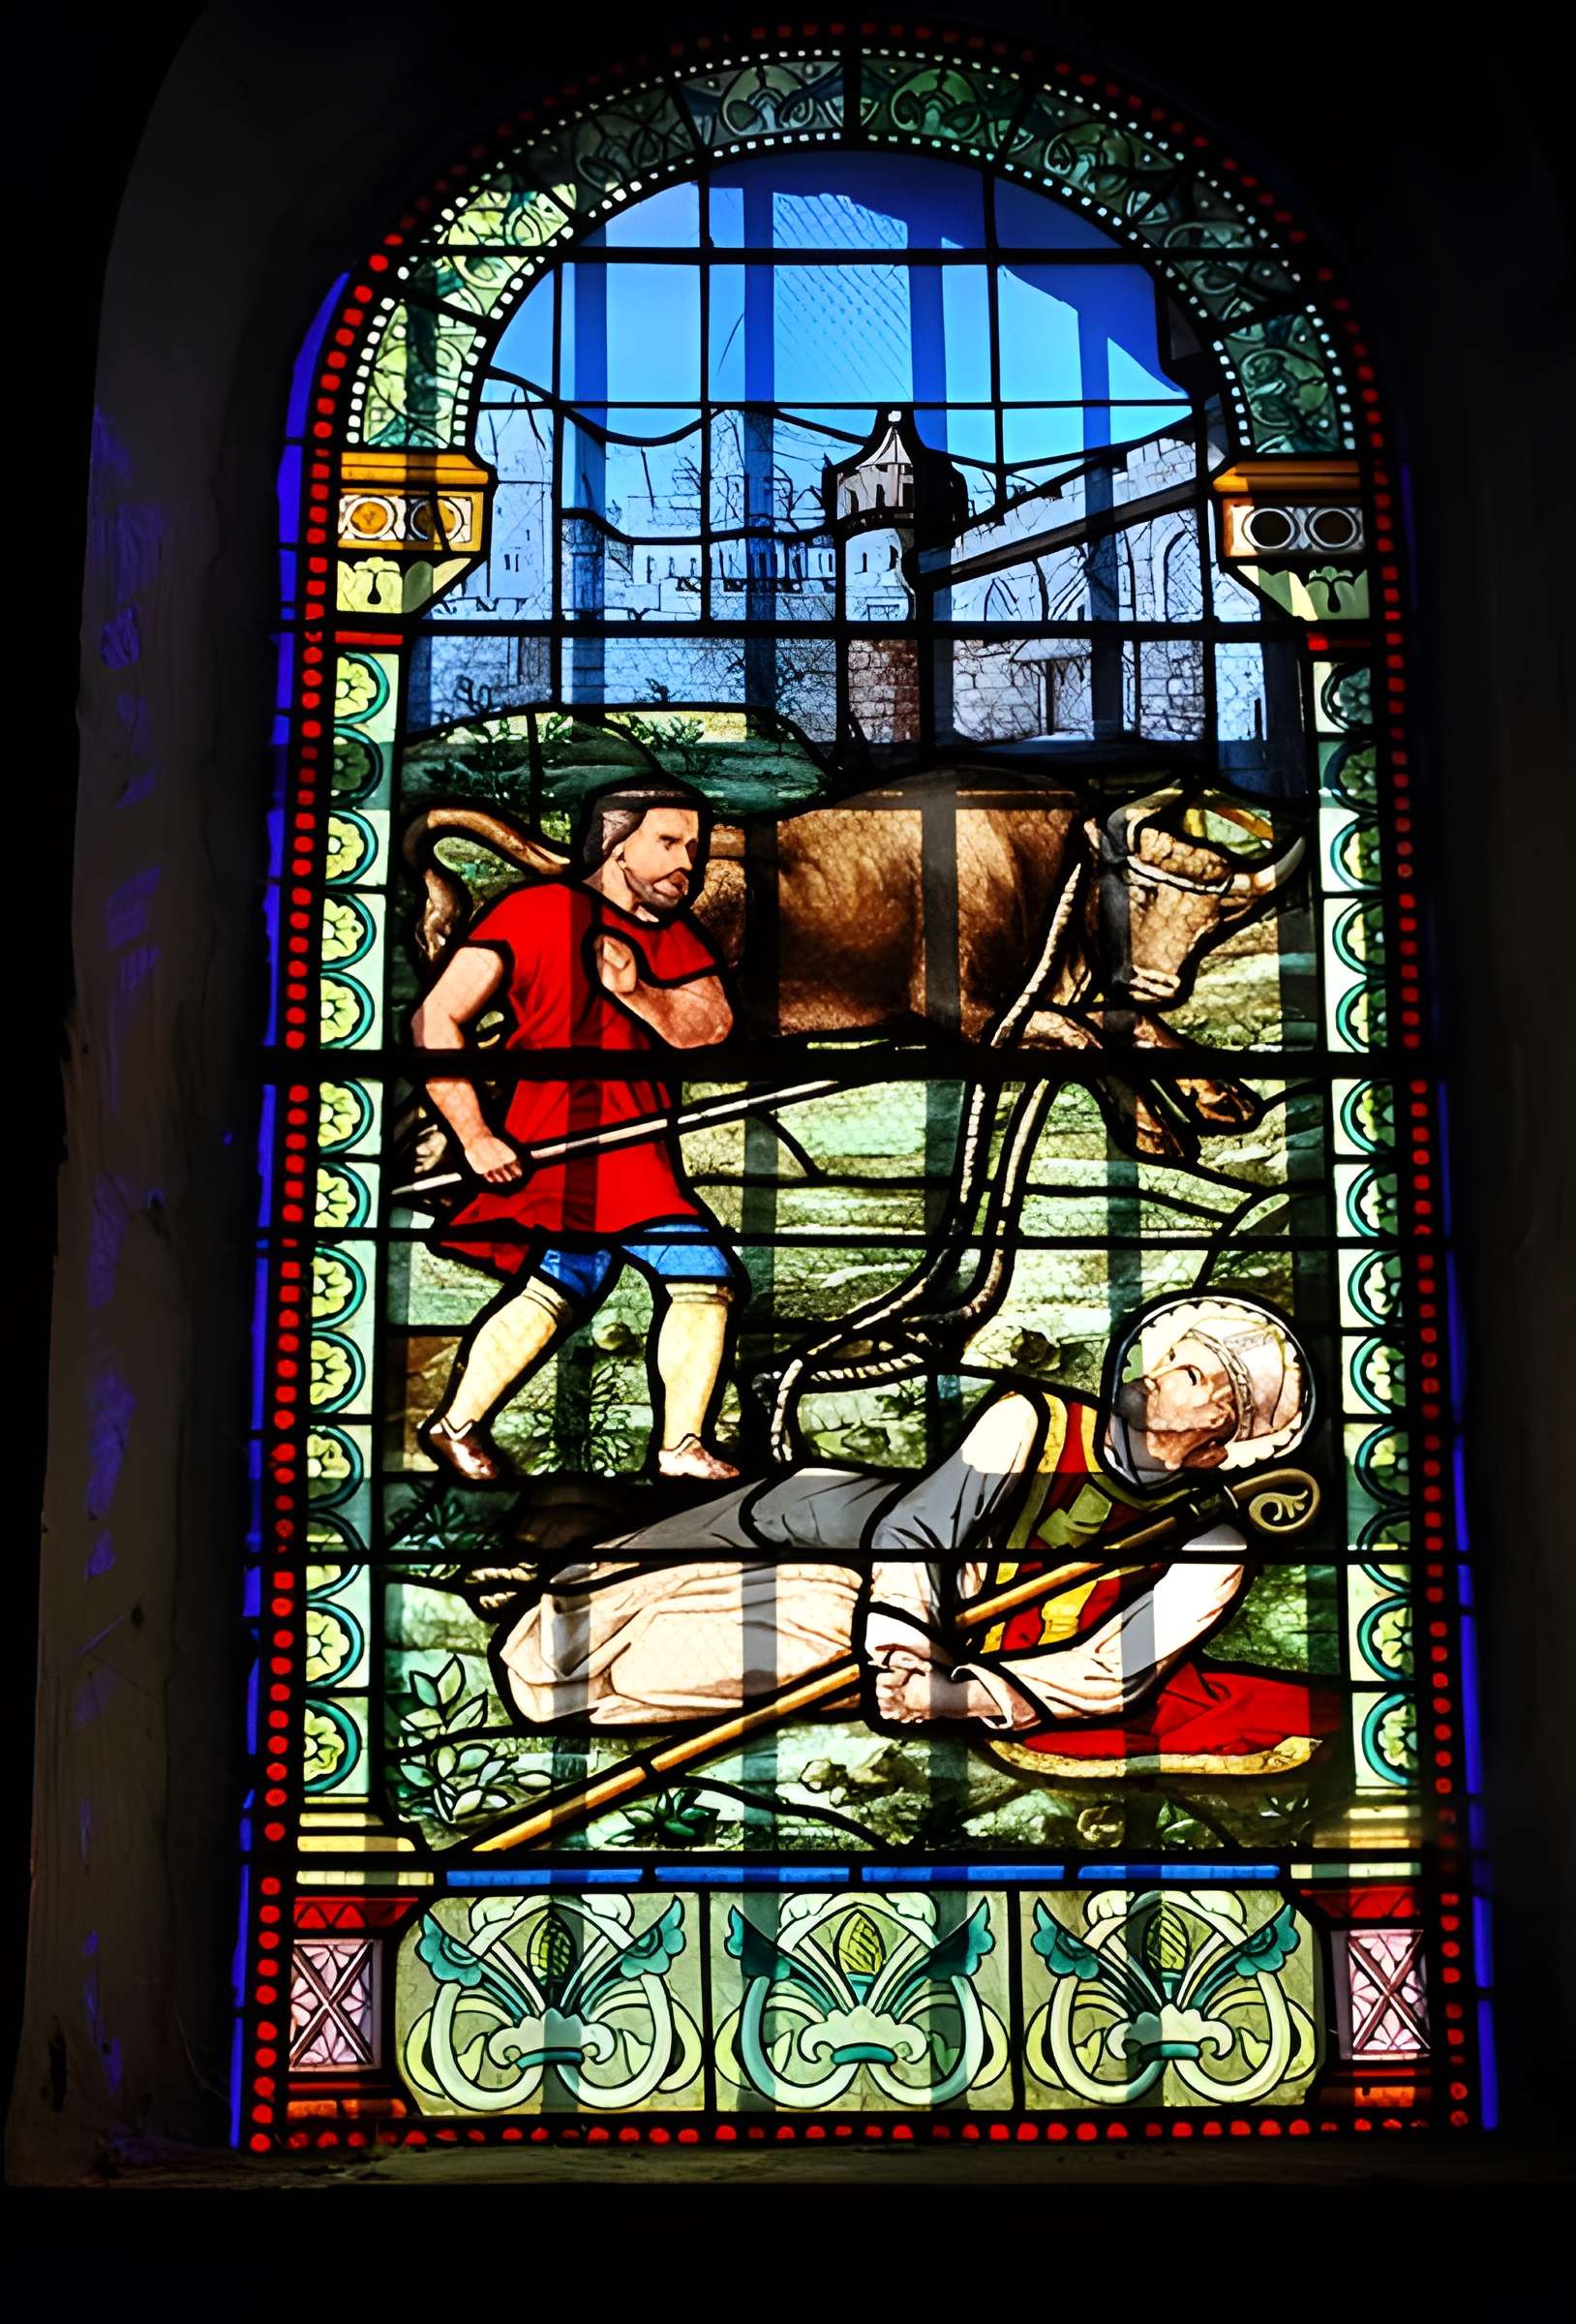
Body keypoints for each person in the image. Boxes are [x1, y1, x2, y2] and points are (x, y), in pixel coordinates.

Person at [481, 1295, 1338, 1776]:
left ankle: (558, 1622)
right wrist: (903, 1647)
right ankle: (583, 1555)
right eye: (1164, 1354)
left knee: (575, 1666)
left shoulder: (1212, 1548)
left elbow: (1108, 1672)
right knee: (743, 1519)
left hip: (902, 1617)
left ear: (1229, 1434)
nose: (1153, 1372)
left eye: (1188, 1374)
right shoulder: (1029, 1419)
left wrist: (954, 1697)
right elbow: (923, 1526)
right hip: (869, 1543)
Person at [411, 779, 745, 1486]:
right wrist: (474, 1134)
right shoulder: (534, 912)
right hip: (553, 1141)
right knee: (702, 1276)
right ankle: (680, 1447)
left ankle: (455, 1423)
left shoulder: (674, 937)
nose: (689, 860)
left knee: (563, 1282)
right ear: (615, 843)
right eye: (668, 841)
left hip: (636, 1147)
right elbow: (436, 1019)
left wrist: (638, 992)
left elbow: (709, 1029)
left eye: (695, 844)